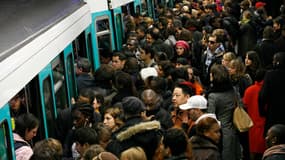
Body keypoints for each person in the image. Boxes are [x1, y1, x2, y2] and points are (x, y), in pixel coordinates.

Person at [207, 64, 241, 160]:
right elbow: (240, 105)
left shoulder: (213, 96)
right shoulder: (233, 90)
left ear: (214, 76)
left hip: (219, 132)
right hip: (234, 130)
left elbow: (211, 117)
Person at [259, 52, 285, 136]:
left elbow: (262, 96)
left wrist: (262, 111)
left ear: (277, 62)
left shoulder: (270, 75)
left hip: (273, 114)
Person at [243, 69, 266, 160]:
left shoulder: (249, 90)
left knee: (252, 151)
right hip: (264, 124)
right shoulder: (267, 90)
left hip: (252, 124)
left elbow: (245, 104)